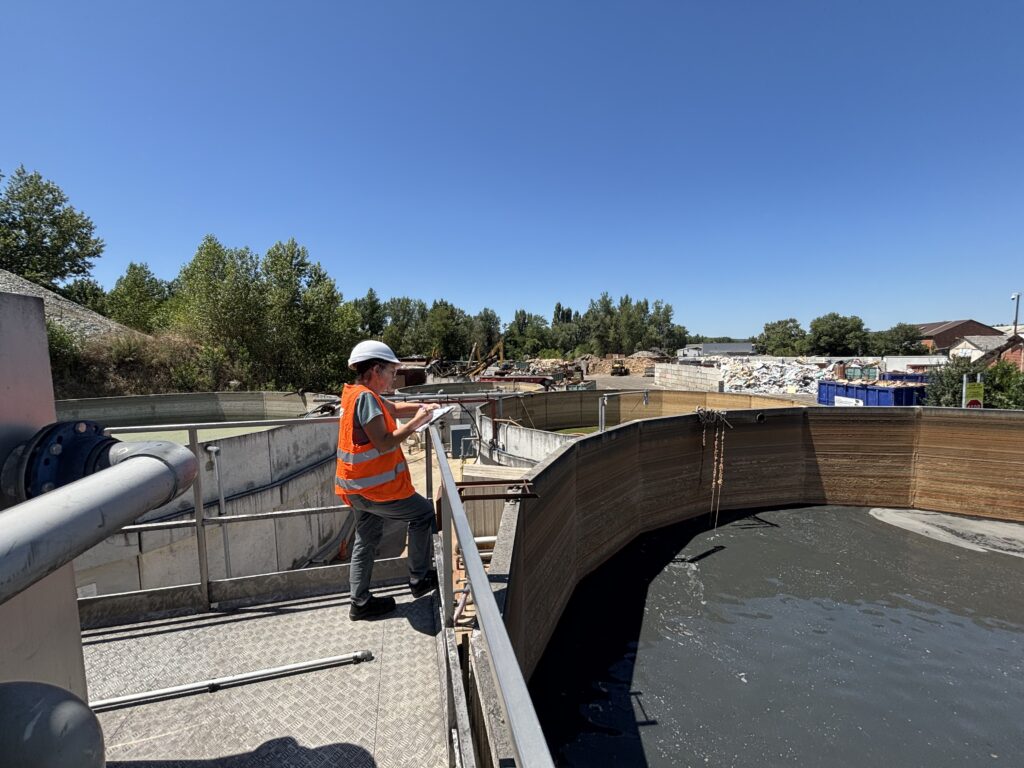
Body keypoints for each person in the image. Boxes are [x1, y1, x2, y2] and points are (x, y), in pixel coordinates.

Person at [335, 340, 440, 620]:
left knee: (365, 539)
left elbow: (392, 409)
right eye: (392, 371)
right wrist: (416, 423)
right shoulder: (367, 398)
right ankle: (419, 579)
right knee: (423, 513)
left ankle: (360, 602)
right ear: (375, 369)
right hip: (374, 488)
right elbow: (383, 442)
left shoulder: (355, 393)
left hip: (355, 487)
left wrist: (423, 405)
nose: (394, 377)